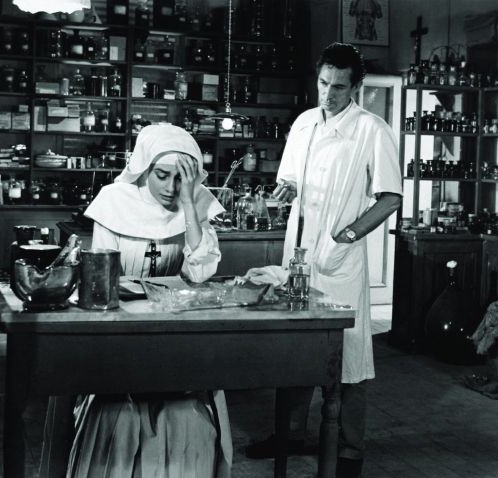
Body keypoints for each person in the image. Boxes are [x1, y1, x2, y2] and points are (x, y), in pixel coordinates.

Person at [245, 43, 402, 478]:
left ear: (356, 87)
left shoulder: (372, 129)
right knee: (296, 345)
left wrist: (349, 234)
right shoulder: (303, 124)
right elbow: (291, 180)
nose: (328, 95)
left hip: (339, 259)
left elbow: (389, 198)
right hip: (299, 255)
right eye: (323, 83)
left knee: (348, 354)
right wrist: (285, 192)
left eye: (338, 87)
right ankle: (290, 434)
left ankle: (350, 448)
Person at [44, 124, 232, 478]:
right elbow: (102, 278)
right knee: (121, 413)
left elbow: (202, 272)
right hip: (120, 331)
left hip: (176, 334)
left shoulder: (193, 203)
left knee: (183, 414)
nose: (170, 188)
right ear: (144, 168)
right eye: (162, 175)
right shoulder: (116, 202)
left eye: (181, 179)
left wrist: (190, 205)